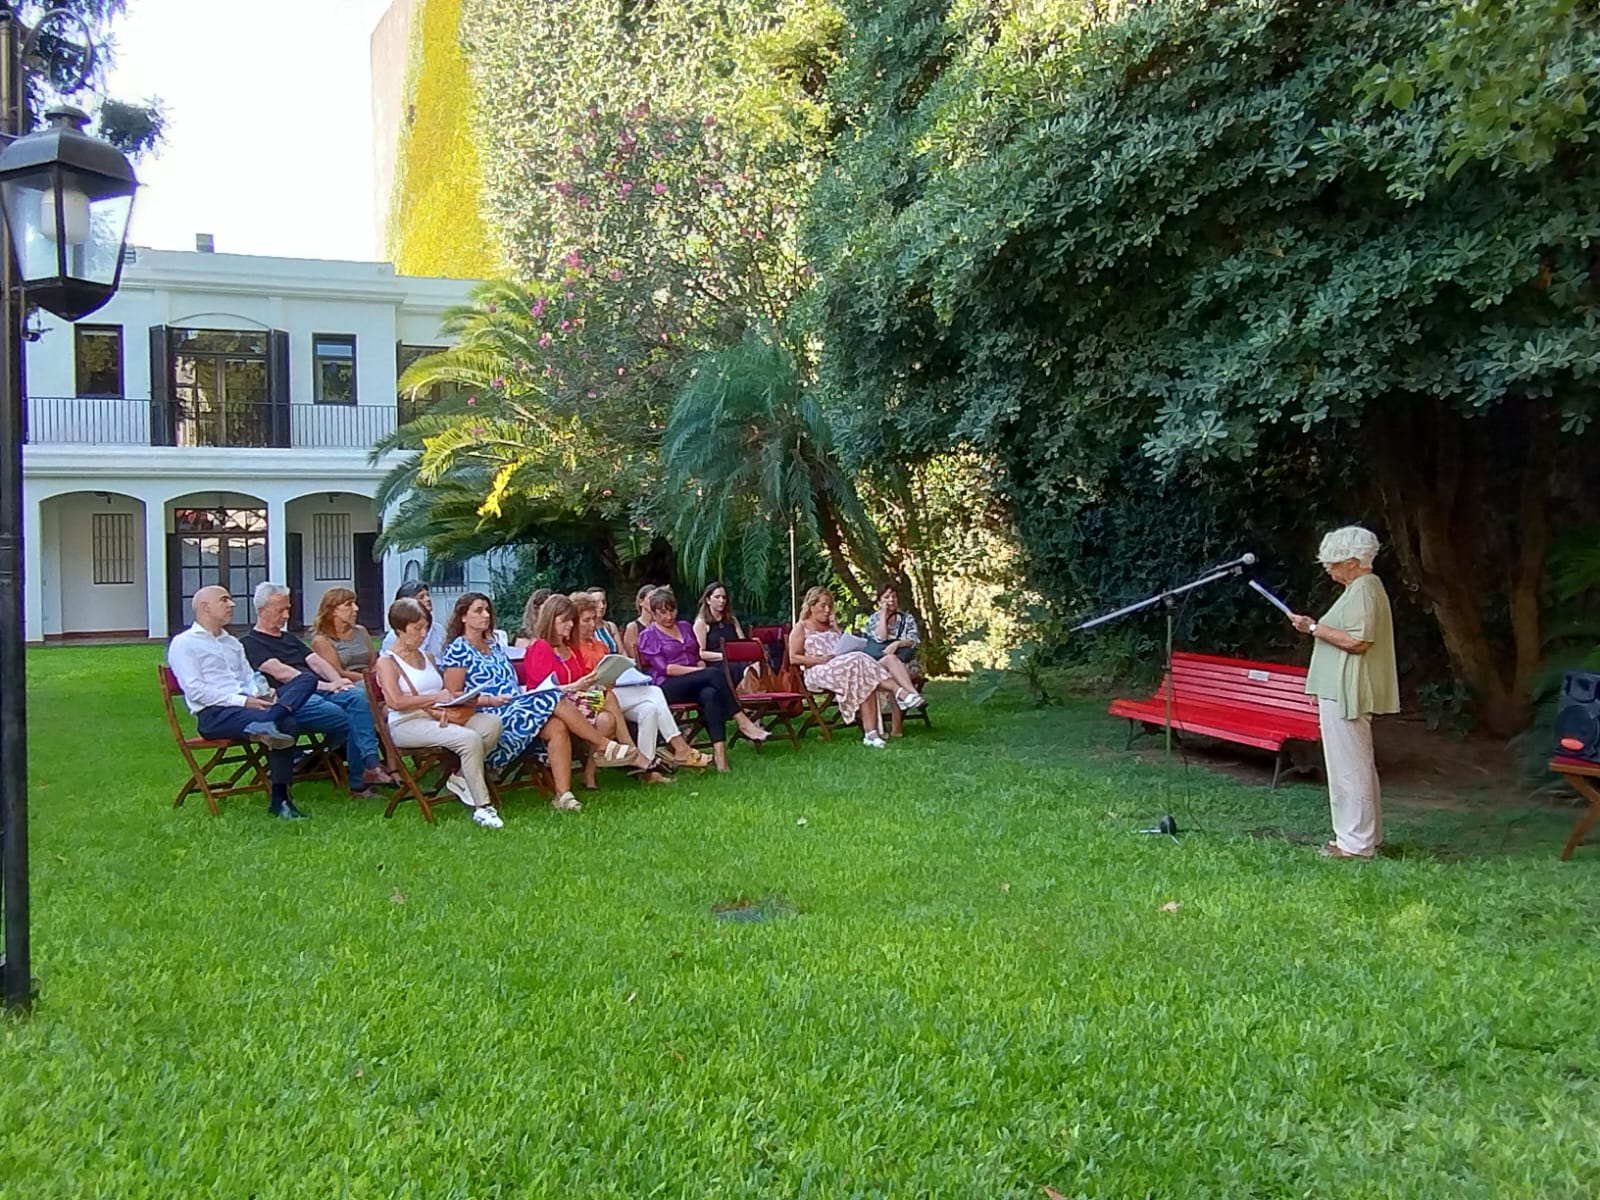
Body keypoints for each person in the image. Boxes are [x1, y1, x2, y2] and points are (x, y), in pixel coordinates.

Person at [439, 591, 649, 811]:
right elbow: (454, 696)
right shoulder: (458, 649)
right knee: (552, 695)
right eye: (478, 611)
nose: (486, 615)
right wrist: (490, 700)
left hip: (516, 705)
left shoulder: (494, 646)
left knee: (557, 725)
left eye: (487, 610)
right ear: (463, 617)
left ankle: (563, 796)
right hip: (492, 714)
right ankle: (603, 744)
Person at [1288, 526, 1400, 860]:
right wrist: (1314, 626)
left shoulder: (1365, 588)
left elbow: (1358, 641)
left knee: (1349, 768)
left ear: (1352, 561)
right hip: (1340, 689)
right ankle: (1366, 837)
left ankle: (1354, 844)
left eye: (1333, 562)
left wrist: (1312, 627)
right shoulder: (1360, 588)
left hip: (1347, 691)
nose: (1328, 568)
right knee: (1355, 764)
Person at [167, 585, 321, 820]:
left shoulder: (232, 643)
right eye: (224, 600)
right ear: (204, 607)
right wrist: (243, 701)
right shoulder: (185, 644)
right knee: (287, 723)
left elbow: (249, 678)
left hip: (250, 708)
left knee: (306, 679)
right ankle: (281, 801)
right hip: (215, 714)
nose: (232, 604)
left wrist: (262, 695)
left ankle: (270, 720)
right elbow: (195, 690)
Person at [241, 582, 394, 797]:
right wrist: (326, 685)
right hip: (292, 700)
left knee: (358, 697)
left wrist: (339, 681)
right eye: (280, 610)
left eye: (288, 609)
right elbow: (283, 673)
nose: (286, 615)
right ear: (261, 610)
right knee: (353, 717)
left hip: (321, 690)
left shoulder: (289, 639)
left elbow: (316, 662)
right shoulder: (250, 643)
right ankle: (363, 776)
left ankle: (368, 764)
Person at [376, 597, 505, 828]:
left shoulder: (427, 657)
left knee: (490, 723)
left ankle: (459, 778)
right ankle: (482, 806)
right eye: (417, 629)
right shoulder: (388, 662)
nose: (424, 633)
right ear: (399, 630)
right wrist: (434, 697)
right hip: (407, 723)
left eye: (425, 627)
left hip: (439, 717)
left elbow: (445, 692)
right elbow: (395, 701)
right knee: (469, 739)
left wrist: (474, 697)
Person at [519, 594, 666, 788]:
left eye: (572, 621)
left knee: (607, 716)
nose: (570, 625)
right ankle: (632, 753)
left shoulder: (570, 648)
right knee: (609, 699)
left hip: (575, 702)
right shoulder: (540, 647)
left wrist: (598, 681)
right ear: (550, 619)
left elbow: (580, 680)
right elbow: (542, 691)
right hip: (548, 709)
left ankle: (591, 774)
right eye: (565, 621)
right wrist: (573, 687)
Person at [570, 591, 710, 770]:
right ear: (574, 621)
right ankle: (680, 748)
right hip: (591, 701)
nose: (592, 625)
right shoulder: (572, 648)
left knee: (649, 709)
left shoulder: (599, 645)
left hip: (610, 693)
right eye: (586, 620)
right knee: (655, 692)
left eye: (593, 620)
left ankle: (645, 769)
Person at [636, 586, 770, 771]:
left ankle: (720, 758)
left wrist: (698, 666)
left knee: (710, 694)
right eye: (662, 613)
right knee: (714, 674)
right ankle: (742, 720)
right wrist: (696, 671)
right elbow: (666, 668)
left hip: (694, 681)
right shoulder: (648, 635)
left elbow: (697, 656)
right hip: (666, 686)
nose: (668, 617)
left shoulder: (684, 627)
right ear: (653, 612)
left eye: (671, 611)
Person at [789, 585, 920, 749]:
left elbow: (843, 646)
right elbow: (793, 658)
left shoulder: (831, 626)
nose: (827, 609)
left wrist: (836, 628)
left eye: (830, 605)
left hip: (844, 667)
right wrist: (818, 660)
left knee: (864, 677)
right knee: (859, 661)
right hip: (818, 671)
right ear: (811, 606)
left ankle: (871, 734)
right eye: (823, 605)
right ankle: (899, 691)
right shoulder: (801, 627)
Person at [308, 586, 375, 682]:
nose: (356, 608)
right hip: (347, 683)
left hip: (371, 677)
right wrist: (369, 680)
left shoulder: (361, 631)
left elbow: (373, 662)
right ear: (333, 611)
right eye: (349, 605)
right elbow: (338, 672)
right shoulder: (322, 641)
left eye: (354, 604)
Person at [380, 580, 445, 659]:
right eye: (421, 597)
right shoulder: (394, 637)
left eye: (428, 595)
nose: (428, 599)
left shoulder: (438, 629)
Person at [693, 581, 745, 664]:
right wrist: (724, 655)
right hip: (717, 663)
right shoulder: (701, 623)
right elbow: (700, 653)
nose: (721, 600)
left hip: (738, 659)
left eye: (724, 597)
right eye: (717, 597)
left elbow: (743, 643)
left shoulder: (732, 620)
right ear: (708, 600)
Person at [622, 583, 654, 661]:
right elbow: (633, 658)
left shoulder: (661, 624)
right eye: (651, 598)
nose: (654, 602)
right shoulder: (633, 627)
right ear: (641, 602)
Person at [588, 587, 623, 653]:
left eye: (603, 602)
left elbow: (622, 652)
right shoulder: (583, 629)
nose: (602, 606)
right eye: (596, 602)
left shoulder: (610, 626)